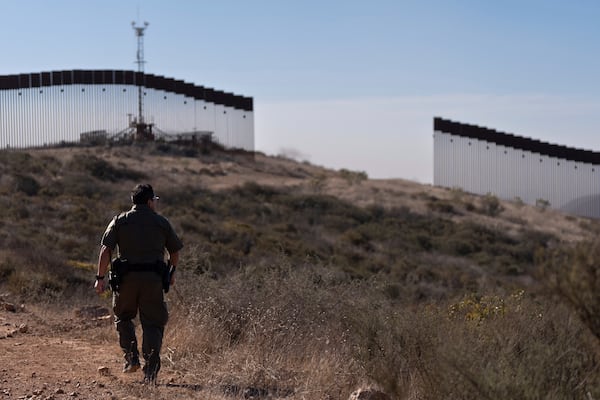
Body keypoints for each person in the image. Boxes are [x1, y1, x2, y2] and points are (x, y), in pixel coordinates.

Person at [94, 183, 183, 383]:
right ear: (150, 201)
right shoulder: (161, 222)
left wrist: (100, 279)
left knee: (123, 317)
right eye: (155, 201)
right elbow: (175, 251)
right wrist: (172, 272)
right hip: (152, 281)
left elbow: (105, 251)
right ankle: (150, 373)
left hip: (126, 280)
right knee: (152, 323)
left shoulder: (119, 221)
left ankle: (131, 358)